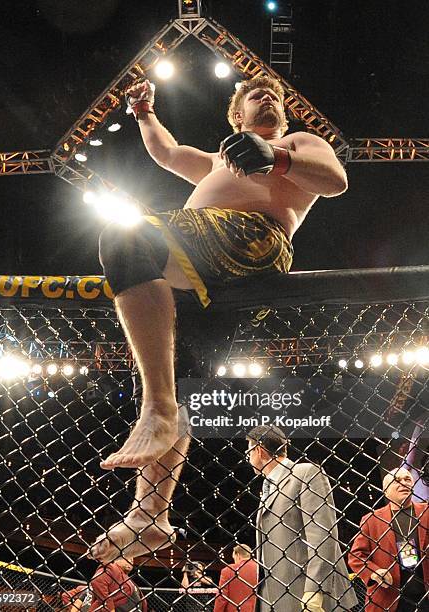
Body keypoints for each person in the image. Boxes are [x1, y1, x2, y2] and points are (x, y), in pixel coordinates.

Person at [90, 74, 348, 563]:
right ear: (236, 115)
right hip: (197, 273)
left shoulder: (296, 142)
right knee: (184, 375)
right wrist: (145, 113)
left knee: (127, 238)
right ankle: (151, 515)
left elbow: (335, 181)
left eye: (273, 95)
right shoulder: (215, 161)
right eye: (255, 95)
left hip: (253, 241)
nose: (267, 97)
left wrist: (279, 158)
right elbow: (166, 153)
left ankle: (157, 407)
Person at [246, 425, 357, 611]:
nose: (248, 458)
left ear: (259, 450)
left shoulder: (304, 473)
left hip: (306, 593)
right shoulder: (268, 487)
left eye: (248, 451)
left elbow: (322, 534)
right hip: (276, 596)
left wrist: (314, 589)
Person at [349, 467, 429, 611]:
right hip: (389, 598)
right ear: (386, 490)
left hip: (425, 596)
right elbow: (356, 556)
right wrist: (374, 572)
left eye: (407, 479)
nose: (403, 483)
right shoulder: (372, 520)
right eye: (397, 481)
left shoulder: (427, 512)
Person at [213, 544, 258, 612]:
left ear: (238, 555)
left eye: (234, 558)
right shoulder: (259, 568)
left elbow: (222, 597)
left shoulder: (229, 570)